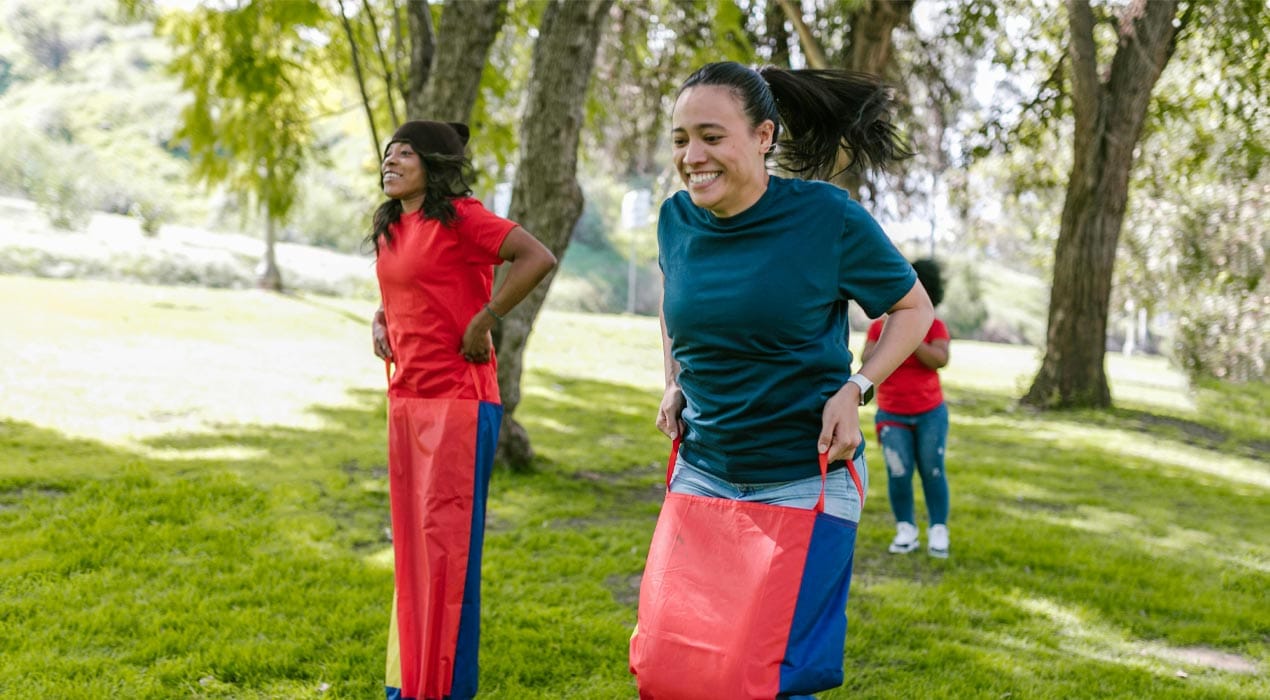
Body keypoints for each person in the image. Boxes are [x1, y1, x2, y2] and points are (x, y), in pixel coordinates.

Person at [653, 61, 934, 696]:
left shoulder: (826, 219)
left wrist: (857, 386)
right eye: (680, 138)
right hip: (702, 470)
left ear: (763, 136)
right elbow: (675, 306)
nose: (692, 155)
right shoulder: (676, 219)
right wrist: (673, 379)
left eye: (712, 136)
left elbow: (912, 309)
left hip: (804, 480)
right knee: (679, 669)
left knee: (769, 679)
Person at [368, 120, 556, 700]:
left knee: (446, 550)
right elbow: (406, 288)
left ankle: (444, 688)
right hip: (408, 397)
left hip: (459, 401)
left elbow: (535, 257)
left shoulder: (463, 218)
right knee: (415, 547)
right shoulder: (393, 224)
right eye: (388, 154)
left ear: (434, 164)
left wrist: (486, 316)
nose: (391, 161)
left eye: (405, 153)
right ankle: (411, 681)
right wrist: (381, 319)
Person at [863, 258, 952, 558]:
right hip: (892, 413)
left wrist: (910, 335)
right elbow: (868, 360)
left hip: (930, 412)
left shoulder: (935, 325)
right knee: (898, 473)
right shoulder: (879, 328)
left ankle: (938, 530)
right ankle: (906, 529)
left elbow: (940, 359)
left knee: (933, 470)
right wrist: (895, 331)